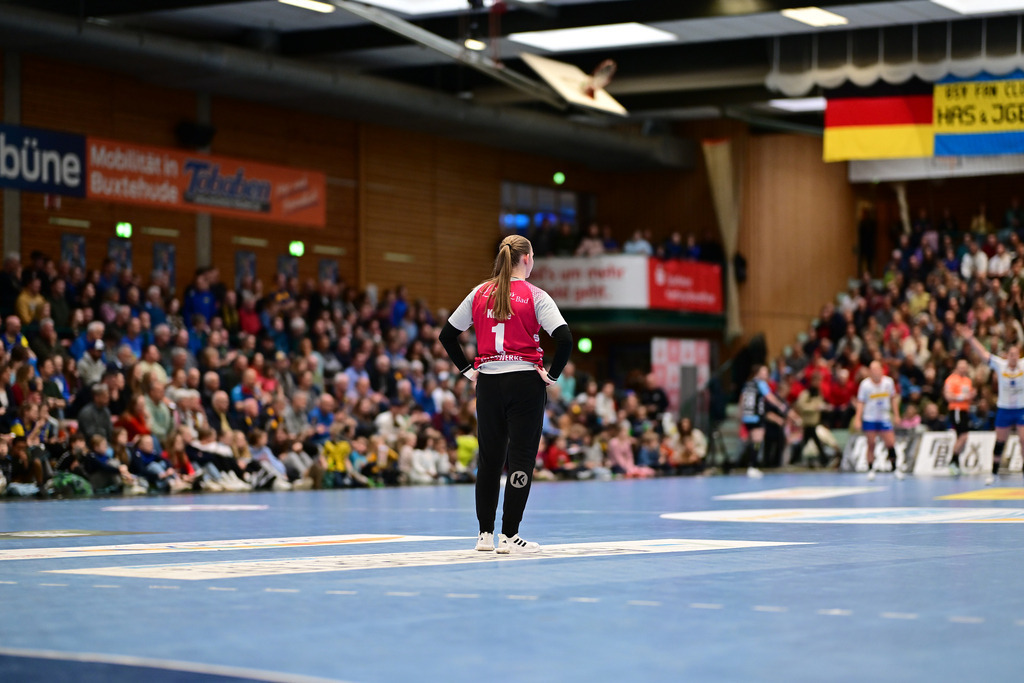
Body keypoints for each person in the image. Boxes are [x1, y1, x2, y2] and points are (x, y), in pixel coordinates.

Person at [439, 234, 572, 554]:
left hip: (488, 383)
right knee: (521, 459)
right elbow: (565, 339)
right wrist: (552, 376)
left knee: (489, 459)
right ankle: (510, 535)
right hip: (525, 383)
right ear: (526, 259)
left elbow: (447, 335)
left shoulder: (479, 293)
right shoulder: (536, 295)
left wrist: (468, 370)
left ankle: (484, 535)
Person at [961, 326, 1024, 485]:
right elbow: (983, 354)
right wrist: (971, 339)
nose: (1013, 357)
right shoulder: (1000, 365)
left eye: (1016, 354)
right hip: (1004, 410)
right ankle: (994, 474)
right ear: (1007, 355)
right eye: (1011, 354)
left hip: (1021, 409)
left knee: (1023, 440)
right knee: (1000, 442)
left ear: (1019, 355)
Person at [853, 361, 903, 480]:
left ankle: (895, 468)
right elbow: (860, 402)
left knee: (890, 443)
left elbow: (893, 399)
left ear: (881, 370)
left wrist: (896, 415)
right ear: (870, 372)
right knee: (871, 444)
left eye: (877, 369)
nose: (875, 372)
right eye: (872, 370)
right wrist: (857, 418)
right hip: (869, 418)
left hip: (884, 417)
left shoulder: (888, 382)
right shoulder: (865, 385)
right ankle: (871, 469)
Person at [738, 365, 789, 478]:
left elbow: (741, 400)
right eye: (764, 372)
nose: (766, 374)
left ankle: (749, 464)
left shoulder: (747, 384)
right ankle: (752, 466)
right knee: (757, 441)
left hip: (747, 417)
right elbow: (769, 397)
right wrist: (781, 405)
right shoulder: (760, 383)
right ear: (758, 372)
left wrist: (741, 415)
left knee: (752, 441)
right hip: (756, 416)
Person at [942, 358, 976, 477]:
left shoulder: (968, 380)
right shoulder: (951, 380)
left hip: (965, 410)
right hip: (956, 410)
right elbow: (948, 396)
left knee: (960, 438)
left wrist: (971, 396)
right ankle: (952, 461)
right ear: (957, 367)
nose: (963, 369)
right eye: (961, 367)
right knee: (964, 435)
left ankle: (956, 464)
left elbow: (969, 396)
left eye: (965, 367)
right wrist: (962, 397)